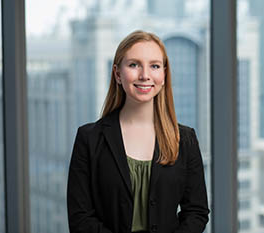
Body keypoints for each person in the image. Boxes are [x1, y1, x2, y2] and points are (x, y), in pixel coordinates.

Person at [67, 30, 209, 233]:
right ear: (117, 74)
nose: (145, 75)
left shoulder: (184, 139)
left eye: (154, 66)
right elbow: (80, 218)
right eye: (134, 65)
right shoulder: (89, 138)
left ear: (164, 74)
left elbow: (196, 212)